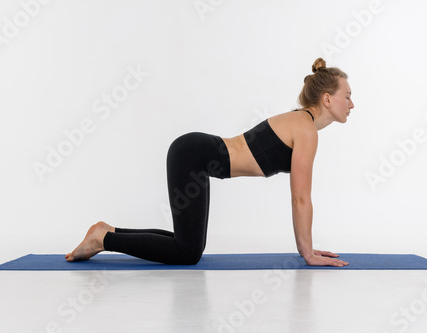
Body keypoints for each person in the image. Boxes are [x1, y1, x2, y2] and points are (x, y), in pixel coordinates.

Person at [66, 58, 353, 267]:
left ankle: (108, 232)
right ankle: (104, 239)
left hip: (195, 155)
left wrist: (308, 250)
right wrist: (308, 253)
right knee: (187, 253)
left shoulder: (302, 124)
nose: (352, 104)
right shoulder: (305, 128)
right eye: (348, 96)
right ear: (327, 99)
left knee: (187, 246)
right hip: (194, 155)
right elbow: (300, 198)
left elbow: (300, 198)